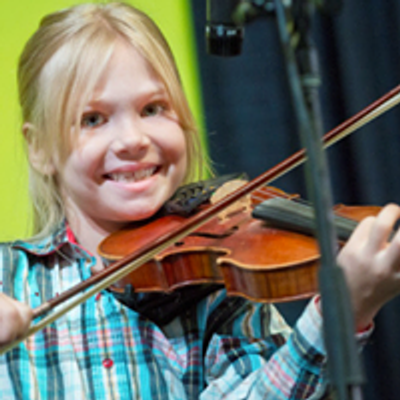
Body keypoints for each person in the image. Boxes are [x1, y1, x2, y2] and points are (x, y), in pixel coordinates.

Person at [1, 2, 400, 399]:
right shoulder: (8, 280)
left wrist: (339, 315)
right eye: (93, 119)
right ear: (39, 148)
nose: (133, 140)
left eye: (152, 108)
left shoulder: (219, 288)